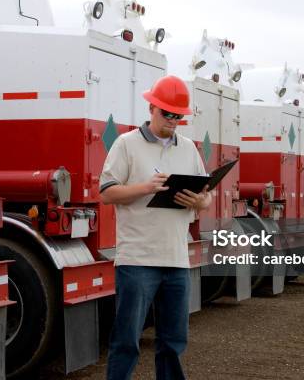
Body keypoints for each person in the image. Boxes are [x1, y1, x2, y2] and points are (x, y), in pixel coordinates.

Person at [99, 75, 212, 380]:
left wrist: (199, 203)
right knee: (126, 340)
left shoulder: (188, 149)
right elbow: (107, 191)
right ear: (151, 108)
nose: (173, 121)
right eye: (167, 114)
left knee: (173, 342)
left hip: (176, 259)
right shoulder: (126, 144)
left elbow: (206, 194)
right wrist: (146, 187)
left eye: (179, 116)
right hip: (137, 259)